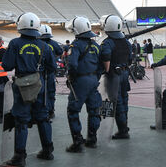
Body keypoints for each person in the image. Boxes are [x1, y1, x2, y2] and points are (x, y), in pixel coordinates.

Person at [2, 12, 56, 166]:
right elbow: (52, 67)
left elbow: (7, 65)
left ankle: (20, 157)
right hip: (40, 85)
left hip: (22, 86)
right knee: (43, 117)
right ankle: (47, 151)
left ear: (20, 25)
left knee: (21, 120)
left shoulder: (14, 43)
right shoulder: (44, 45)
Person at [64, 17, 103, 152]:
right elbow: (101, 66)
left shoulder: (75, 46)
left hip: (80, 81)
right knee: (94, 110)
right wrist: (94, 77)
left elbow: (73, 65)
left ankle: (77, 142)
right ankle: (92, 139)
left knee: (73, 111)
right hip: (93, 80)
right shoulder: (96, 46)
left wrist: (71, 77)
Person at [100, 15, 132, 139]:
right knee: (124, 99)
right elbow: (130, 58)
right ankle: (125, 126)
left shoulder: (107, 42)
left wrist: (106, 70)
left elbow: (106, 56)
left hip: (114, 75)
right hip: (124, 73)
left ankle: (123, 130)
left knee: (116, 102)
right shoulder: (126, 41)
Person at [39, 25, 63, 119]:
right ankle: (50, 111)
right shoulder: (53, 43)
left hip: (40, 72)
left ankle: (41, 110)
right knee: (50, 92)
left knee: (39, 92)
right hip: (50, 71)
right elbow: (60, 52)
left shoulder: (37, 43)